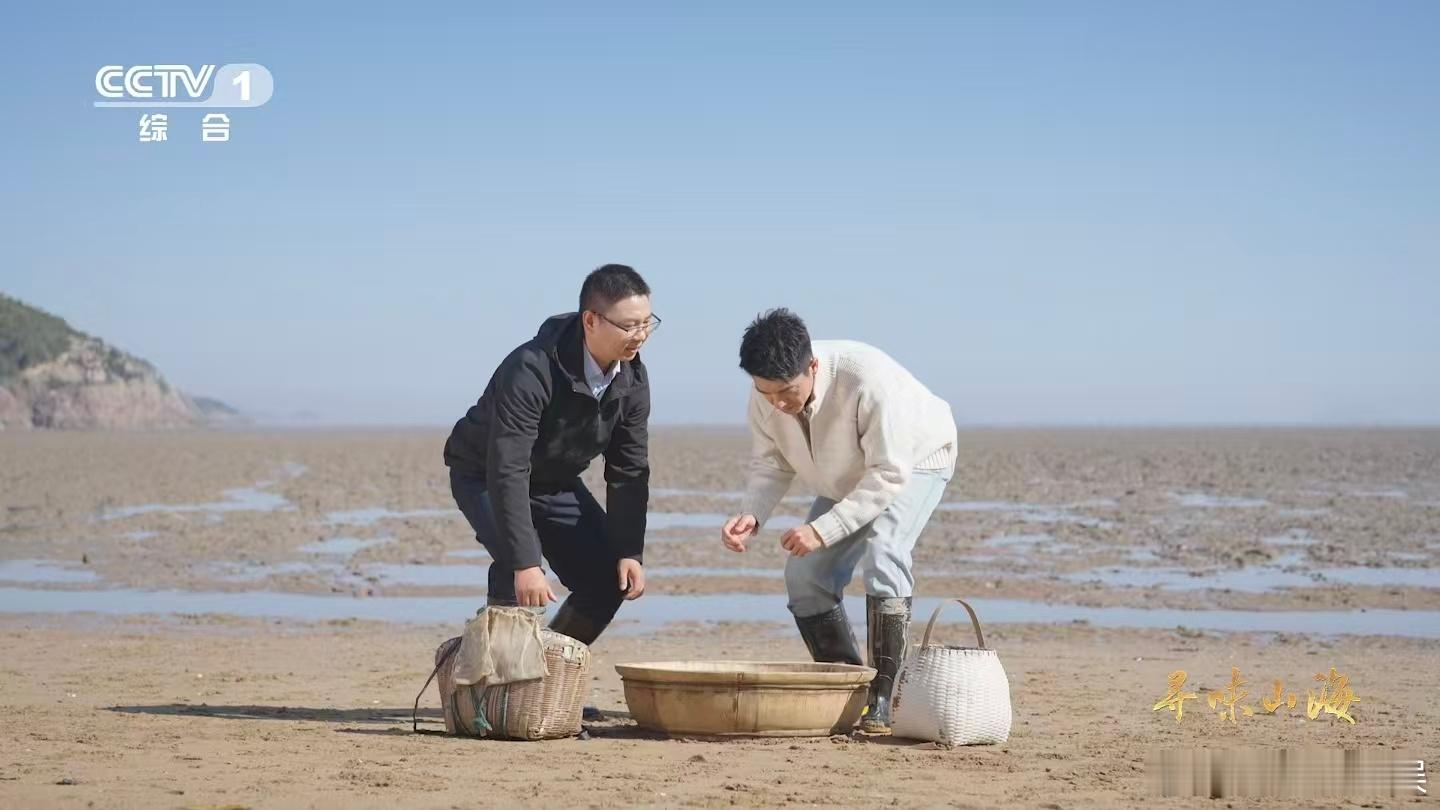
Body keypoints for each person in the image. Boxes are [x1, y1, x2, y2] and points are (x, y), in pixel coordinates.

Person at [719, 308, 956, 734]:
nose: (777, 403)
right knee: (805, 575)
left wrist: (821, 529)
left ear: (812, 365)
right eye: (765, 393)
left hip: (914, 461)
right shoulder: (767, 392)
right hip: (843, 474)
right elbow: (771, 463)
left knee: (884, 553)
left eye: (786, 392)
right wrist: (752, 515)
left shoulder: (868, 380)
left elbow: (888, 474)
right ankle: (849, 689)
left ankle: (886, 699)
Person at [444, 264, 658, 646]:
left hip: (554, 480)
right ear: (591, 320)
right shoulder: (530, 368)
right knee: (517, 565)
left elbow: (629, 470)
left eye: (647, 323)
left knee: (610, 579)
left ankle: (547, 678)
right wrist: (526, 564)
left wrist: (630, 550)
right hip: (485, 473)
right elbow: (507, 467)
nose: (639, 335)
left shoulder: (632, 380)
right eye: (629, 326)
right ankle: (500, 691)